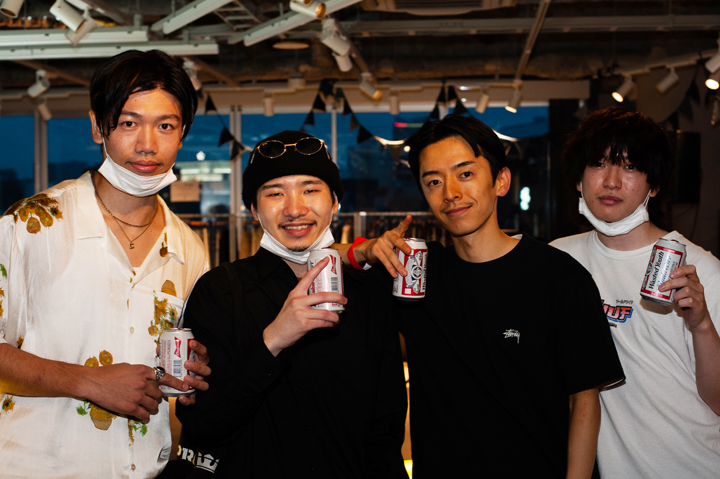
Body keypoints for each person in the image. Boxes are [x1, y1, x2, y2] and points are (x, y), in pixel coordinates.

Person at [340, 115, 625, 478]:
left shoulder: (558, 276)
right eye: (433, 181)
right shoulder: (413, 274)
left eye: (465, 174)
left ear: (501, 181)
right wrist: (364, 251)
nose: (450, 193)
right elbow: (310, 259)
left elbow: (584, 400)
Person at [0, 50, 211, 478]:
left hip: (145, 468)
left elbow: (178, 367)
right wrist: (87, 381)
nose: (147, 144)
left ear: (182, 134)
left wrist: (193, 370)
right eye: (129, 123)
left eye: (165, 126)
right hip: (36, 467)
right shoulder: (31, 225)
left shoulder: (188, 247)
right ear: (98, 126)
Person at [175, 131, 408, 478]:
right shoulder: (221, 291)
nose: (294, 209)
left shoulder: (368, 291)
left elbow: (385, 430)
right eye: (275, 193)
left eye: (310, 190)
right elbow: (202, 423)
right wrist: (272, 341)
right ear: (254, 209)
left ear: (335, 202)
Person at [550, 107, 720, 478]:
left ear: (653, 186)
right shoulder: (558, 261)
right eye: (598, 164)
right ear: (578, 179)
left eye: (629, 167)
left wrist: (702, 325)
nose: (611, 181)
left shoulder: (701, 269)